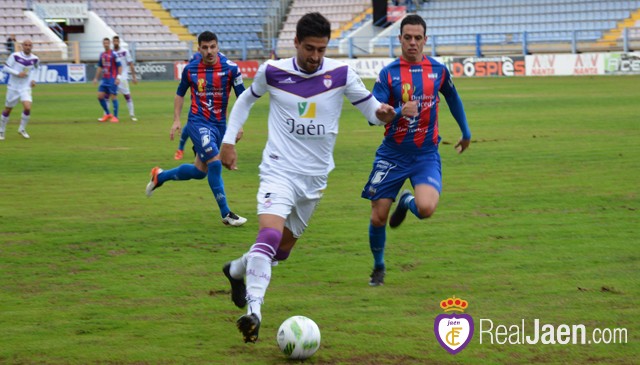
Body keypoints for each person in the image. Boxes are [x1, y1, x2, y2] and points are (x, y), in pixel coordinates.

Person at [220, 12, 396, 344]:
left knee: (281, 251)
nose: (315, 57)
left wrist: (382, 114)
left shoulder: (341, 74)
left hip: (314, 180)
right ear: (296, 43)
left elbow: (372, 109)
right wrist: (228, 140)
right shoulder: (272, 71)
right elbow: (245, 100)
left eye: (321, 50)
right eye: (309, 49)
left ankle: (236, 269)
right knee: (269, 235)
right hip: (278, 170)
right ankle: (254, 311)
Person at [361, 14, 471, 286]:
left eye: (417, 38)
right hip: (392, 154)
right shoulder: (388, 74)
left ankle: (407, 201)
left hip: (425, 154)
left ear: (425, 40)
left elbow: (453, 97)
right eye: (407, 37)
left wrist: (466, 131)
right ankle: (379, 265)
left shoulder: (438, 70)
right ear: (399, 39)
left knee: (426, 209)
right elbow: (373, 117)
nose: (412, 43)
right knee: (379, 216)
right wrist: (399, 112)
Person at [145, 31, 247, 227]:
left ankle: (160, 176)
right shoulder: (191, 69)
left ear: (218, 46)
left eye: (212, 47)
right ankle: (226, 214)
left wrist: (238, 124)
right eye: (205, 47)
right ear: (198, 48)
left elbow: (243, 98)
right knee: (215, 164)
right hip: (198, 123)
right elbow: (179, 94)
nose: (209, 51)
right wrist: (176, 120)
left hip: (219, 125)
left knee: (201, 171)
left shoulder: (231, 69)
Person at [1, 39, 39, 140]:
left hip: (25, 87)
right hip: (13, 87)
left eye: (30, 45)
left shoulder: (35, 58)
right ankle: (1, 131)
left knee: (27, 107)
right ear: (22, 46)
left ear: (32, 47)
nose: (28, 47)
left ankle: (22, 129)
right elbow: (5, 68)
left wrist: (33, 80)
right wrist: (18, 73)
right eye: (26, 45)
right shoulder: (15, 56)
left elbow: (35, 69)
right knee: (8, 109)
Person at [173, 52, 203, 160]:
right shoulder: (194, 60)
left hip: (213, 107)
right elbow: (180, 92)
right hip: (198, 104)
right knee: (190, 126)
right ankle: (181, 149)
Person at [92, 37, 122, 123]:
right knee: (100, 96)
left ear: (109, 44)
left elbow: (119, 66)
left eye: (107, 43)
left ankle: (115, 117)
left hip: (112, 78)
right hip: (104, 79)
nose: (106, 44)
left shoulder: (114, 54)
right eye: (104, 43)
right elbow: (100, 67)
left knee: (113, 97)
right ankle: (108, 114)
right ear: (103, 44)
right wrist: (96, 78)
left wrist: (118, 78)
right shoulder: (102, 55)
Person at [112, 36, 138, 121]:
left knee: (127, 96)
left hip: (123, 78)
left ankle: (132, 114)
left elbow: (130, 64)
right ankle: (108, 114)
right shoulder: (111, 52)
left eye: (117, 41)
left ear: (119, 42)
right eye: (114, 41)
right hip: (113, 78)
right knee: (110, 96)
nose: (115, 42)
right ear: (113, 42)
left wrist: (134, 77)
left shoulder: (124, 51)